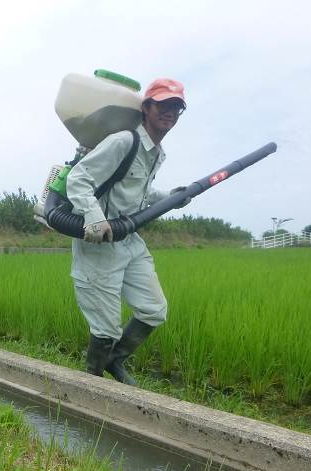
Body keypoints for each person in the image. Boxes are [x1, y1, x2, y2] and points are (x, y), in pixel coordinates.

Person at [66, 78, 190, 386]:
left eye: (176, 107)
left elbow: (137, 194)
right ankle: (93, 384)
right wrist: (95, 218)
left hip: (130, 239)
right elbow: (78, 180)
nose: (169, 112)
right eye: (163, 105)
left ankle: (114, 360)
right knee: (105, 328)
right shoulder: (124, 140)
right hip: (101, 242)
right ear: (146, 108)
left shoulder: (156, 153)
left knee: (154, 309)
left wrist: (171, 198)